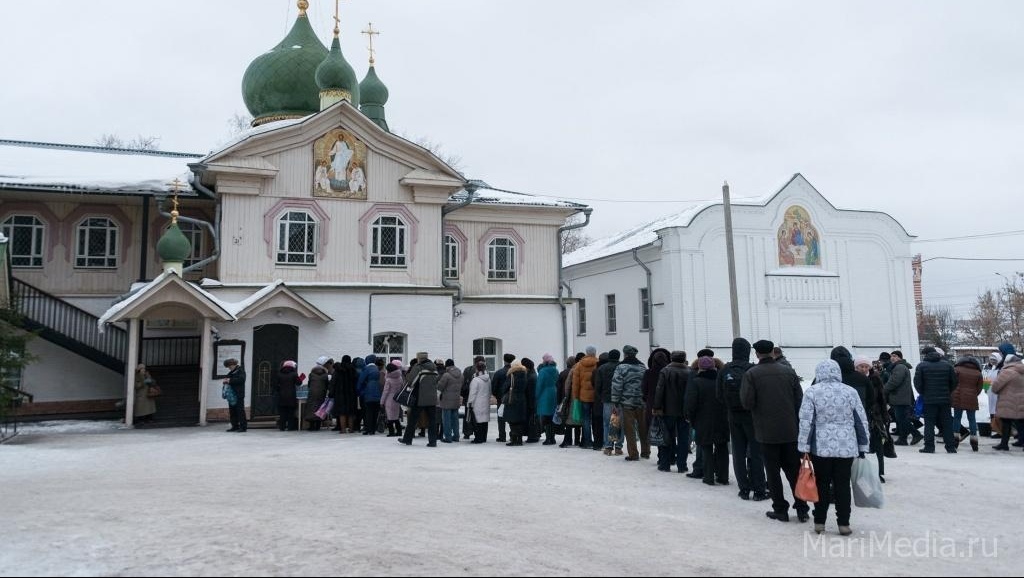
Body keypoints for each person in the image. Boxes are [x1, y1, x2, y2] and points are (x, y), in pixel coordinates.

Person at [799, 360, 870, 536]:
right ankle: (844, 523)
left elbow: (806, 422)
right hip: (846, 445)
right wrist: (863, 444)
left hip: (821, 446)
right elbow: (861, 420)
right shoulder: (850, 391)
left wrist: (804, 446)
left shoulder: (812, 392)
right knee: (843, 484)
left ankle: (820, 522)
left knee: (821, 483)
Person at [741, 339, 808, 524]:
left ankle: (780, 509)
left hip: (766, 431)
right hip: (790, 430)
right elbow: (798, 400)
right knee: (794, 471)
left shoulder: (752, 374)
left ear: (756, 354)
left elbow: (747, 402)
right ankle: (802, 508)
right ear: (772, 352)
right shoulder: (788, 372)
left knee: (772, 472)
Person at [719, 338, 767, 501]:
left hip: (733, 416)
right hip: (752, 416)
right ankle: (759, 488)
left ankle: (744, 489)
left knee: (738, 452)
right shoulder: (752, 369)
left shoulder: (725, 369)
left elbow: (719, 395)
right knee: (756, 452)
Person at [685, 355, 730, 486]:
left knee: (706, 447)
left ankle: (708, 476)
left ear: (699, 368)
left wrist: (690, 417)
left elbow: (690, 403)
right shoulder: (721, 380)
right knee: (722, 447)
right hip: (722, 418)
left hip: (703, 419)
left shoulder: (696, 382)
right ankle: (723, 476)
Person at [914, 346, 958, 454]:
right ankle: (951, 447)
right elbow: (954, 382)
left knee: (929, 423)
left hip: (929, 400)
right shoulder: (947, 365)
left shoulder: (921, 366)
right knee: (947, 423)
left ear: (925, 355)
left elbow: (917, 383)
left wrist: (923, 393)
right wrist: (947, 392)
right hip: (945, 400)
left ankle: (929, 446)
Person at [653, 350, 691, 473]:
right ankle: (682, 465)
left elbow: (659, 390)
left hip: (668, 410)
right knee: (684, 438)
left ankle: (665, 463)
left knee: (666, 436)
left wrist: (657, 406)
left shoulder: (665, 371)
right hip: (684, 410)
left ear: (671, 358)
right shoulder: (689, 372)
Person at [612, 345, 649, 462]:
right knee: (643, 427)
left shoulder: (621, 367)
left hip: (627, 402)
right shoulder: (642, 367)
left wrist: (615, 401)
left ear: (625, 354)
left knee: (630, 429)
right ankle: (646, 451)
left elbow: (617, 385)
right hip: (642, 402)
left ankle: (633, 453)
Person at [399, 356, 439, 447]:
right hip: (432, 397)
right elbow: (437, 382)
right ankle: (433, 441)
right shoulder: (434, 368)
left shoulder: (419, 367)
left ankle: (407, 439)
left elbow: (411, 382)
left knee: (413, 419)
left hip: (420, 397)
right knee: (432, 420)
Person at [992, 344, 1024, 451]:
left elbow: (995, 387)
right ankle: (1021, 441)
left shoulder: (1007, 371)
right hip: (1021, 401)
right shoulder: (1022, 370)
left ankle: (1004, 444)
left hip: (1008, 402)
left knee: (1006, 423)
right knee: (1021, 422)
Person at [886, 351, 920, 446]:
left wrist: (884, 389)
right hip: (901, 397)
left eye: (895, 356)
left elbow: (894, 381)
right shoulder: (899, 366)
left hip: (900, 397)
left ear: (900, 358)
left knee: (901, 419)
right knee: (901, 418)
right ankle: (903, 439)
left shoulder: (899, 367)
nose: (892, 358)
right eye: (891, 356)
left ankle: (916, 434)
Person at [951, 356, 984, 452]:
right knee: (972, 419)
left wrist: (953, 392)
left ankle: (955, 440)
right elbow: (979, 388)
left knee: (957, 418)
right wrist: (973, 394)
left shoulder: (956, 369)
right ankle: (974, 442)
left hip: (958, 396)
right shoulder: (978, 373)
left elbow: (952, 382)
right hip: (972, 398)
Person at [595, 349, 622, 456]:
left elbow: (597, 386)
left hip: (607, 399)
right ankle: (619, 447)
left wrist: (601, 396)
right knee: (619, 423)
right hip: (620, 400)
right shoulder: (622, 367)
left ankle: (608, 446)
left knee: (607, 423)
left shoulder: (602, 368)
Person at [572, 346, 599, 450]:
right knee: (596, 419)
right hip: (596, 397)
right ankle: (597, 439)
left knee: (586, 419)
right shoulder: (598, 363)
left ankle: (587, 441)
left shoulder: (579, 365)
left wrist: (575, 397)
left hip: (583, 396)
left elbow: (575, 383)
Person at [437, 359, 463, 443]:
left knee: (446, 420)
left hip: (446, 400)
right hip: (456, 399)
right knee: (455, 419)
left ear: (447, 366)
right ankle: (456, 436)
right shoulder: (461, 374)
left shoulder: (446, 375)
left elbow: (439, 387)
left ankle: (448, 437)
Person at [536, 354, 560, 445]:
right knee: (552, 416)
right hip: (554, 393)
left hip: (544, 395)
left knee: (546, 417)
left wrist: (536, 396)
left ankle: (548, 438)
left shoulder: (543, 371)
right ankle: (552, 438)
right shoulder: (556, 370)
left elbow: (539, 385)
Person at [491, 353, 516, 443]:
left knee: (501, 417)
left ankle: (502, 436)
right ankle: (512, 434)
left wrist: (496, 395)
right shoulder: (516, 372)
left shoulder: (499, 372)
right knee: (512, 417)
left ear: (504, 360)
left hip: (501, 398)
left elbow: (494, 386)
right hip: (513, 397)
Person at [468, 361, 492, 443]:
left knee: (477, 421)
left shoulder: (475, 380)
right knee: (484, 421)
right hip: (486, 402)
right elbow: (490, 391)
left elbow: (472, 393)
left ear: (476, 368)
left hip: (477, 403)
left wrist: (470, 403)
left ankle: (478, 438)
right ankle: (484, 437)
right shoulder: (488, 379)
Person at [305, 356, 331, 431]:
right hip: (321, 393)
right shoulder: (325, 375)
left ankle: (312, 426)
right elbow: (327, 385)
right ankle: (318, 426)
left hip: (312, 393)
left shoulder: (311, 374)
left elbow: (309, 384)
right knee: (320, 408)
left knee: (311, 408)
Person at [274, 360, 302, 431]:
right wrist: (300, 378)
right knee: (291, 412)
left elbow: (275, 385)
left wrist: (279, 390)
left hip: (281, 396)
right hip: (291, 396)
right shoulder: (294, 374)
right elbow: (299, 383)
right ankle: (290, 427)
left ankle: (282, 427)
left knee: (282, 413)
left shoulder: (279, 374)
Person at [380, 362, 405, 437]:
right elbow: (402, 387)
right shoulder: (400, 377)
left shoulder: (388, 379)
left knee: (390, 417)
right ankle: (399, 431)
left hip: (389, 399)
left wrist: (382, 402)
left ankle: (391, 432)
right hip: (397, 398)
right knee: (396, 416)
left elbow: (385, 391)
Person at [223, 358, 247, 433]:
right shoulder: (231, 373)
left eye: (230, 366)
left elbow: (241, 380)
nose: (229, 368)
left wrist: (230, 380)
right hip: (231, 395)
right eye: (228, 367)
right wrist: (225, 381)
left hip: (239, 394)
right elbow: (228, 380)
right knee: (232, 411)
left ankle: (243, 427)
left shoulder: (241, 371)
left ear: (234, 364)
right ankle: (235, 426)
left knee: (240, 411)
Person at [984, 352, 1003, 439]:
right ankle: (994, 428)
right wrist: (985, 388)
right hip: (990, 393)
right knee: (991, 410)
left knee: (997, 411)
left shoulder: (1001, 369)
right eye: (991, 360)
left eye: (994, 360)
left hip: (998, 392)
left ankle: (1000, 430)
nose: (992, 362)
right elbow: (986, 379)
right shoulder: (989, 368)